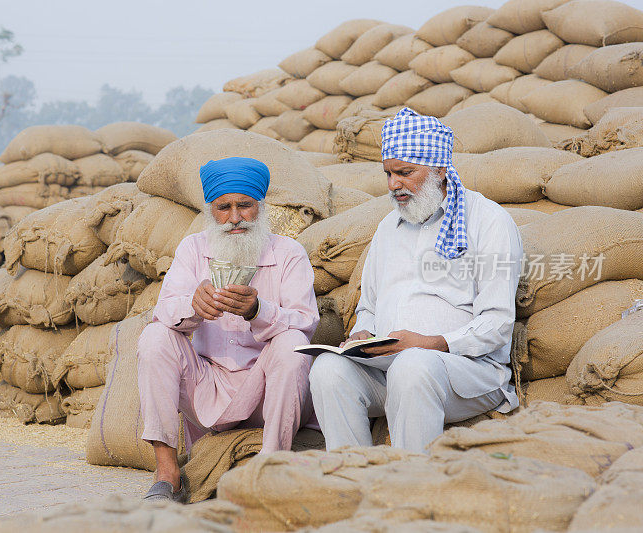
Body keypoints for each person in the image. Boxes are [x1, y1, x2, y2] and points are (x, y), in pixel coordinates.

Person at [309, 108, 523, 455]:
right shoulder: (387, 229)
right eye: (389, 174)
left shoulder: (488, 221)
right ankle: (351, 479)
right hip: (388, 365)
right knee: (328, 370)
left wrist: (430, 343)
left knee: (413, 364)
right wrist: (363, 332)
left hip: (466, 370)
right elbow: (369, 306)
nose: (394, 184)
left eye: (405, 172)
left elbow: (498, 323)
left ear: (439, 169)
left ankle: (411, 488)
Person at [137, 156, 318, 502]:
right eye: (224, 207)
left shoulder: (289, 252)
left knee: (292, 344)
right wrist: (193, 305)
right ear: (210, 210)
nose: (235, 218)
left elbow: (306, 322)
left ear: (260, 207)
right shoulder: (192, 248)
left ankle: (271, 466)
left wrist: (258, 310)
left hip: (266, 391)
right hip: (208, 386)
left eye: (244, 206)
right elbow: (164, 309)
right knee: (155, 336)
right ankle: (167, 473)